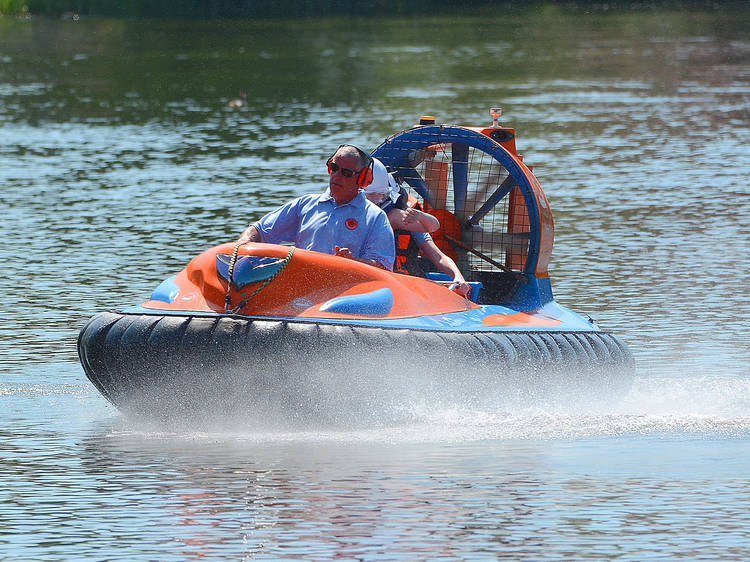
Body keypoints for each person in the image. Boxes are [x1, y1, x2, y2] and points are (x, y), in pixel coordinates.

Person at [237, 145, 395, 270]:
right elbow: (258, 230)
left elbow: (383, 267)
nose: (337, 176)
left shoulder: (376, 217)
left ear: (362, 179)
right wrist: (241, 248)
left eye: (346, 173)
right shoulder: (305, 204)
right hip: (301, 288)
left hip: (347, 294)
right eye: (334, 168)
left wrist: (353, 262)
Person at [363, 158, 472, 297]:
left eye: (376, 195)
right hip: (364, 276)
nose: (371, 200)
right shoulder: (348, 211)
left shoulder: (397, 217)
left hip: (400, 284)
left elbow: (438, 253)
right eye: (368, 195)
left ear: (387, 196)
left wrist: (458, 277)